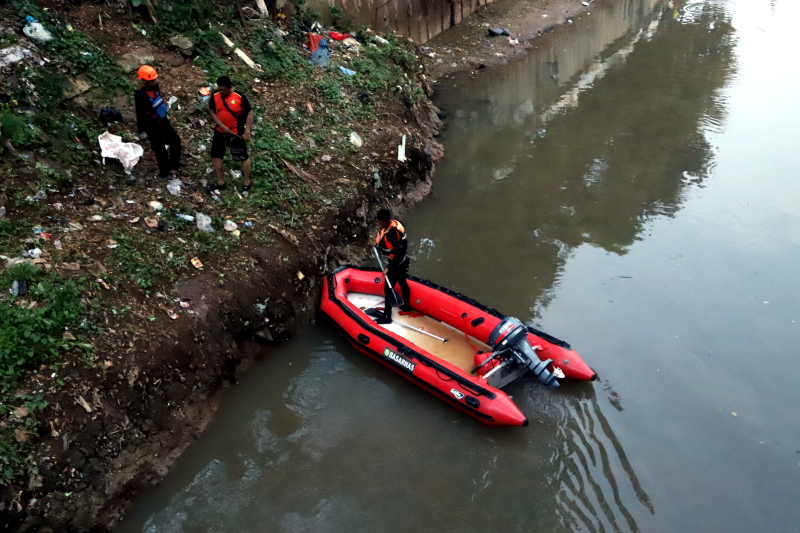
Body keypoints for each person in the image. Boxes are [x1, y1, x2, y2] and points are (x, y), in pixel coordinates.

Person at [134, 65, 184, 178]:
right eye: (150, 81)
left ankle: (174, 164)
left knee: (175, 140)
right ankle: (164, 172)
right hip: (152, 125)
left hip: (162, 120)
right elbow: (139, 113)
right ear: (144, 81)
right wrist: (141, 130)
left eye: (153, 80)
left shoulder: (156, 87)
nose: (153, 82)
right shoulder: (140, 95)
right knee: (159, 148)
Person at [208, 76, 254, 196]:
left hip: (236, 132)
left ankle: (246, 182)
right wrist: (221, 126)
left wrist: (247, 131)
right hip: (220, 131)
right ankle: (220, 182)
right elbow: (212, 111)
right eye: (219, 89)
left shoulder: (239, 96)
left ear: (229, 87)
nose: (221, 92)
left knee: (242, 156)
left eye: (223, 89)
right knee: (216, 155)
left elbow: (249, 113)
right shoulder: (215, 95)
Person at [375, 208, 412, 324]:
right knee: (402, 282)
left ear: (384, 221)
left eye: (380, 221)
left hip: (396, 263)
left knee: (387, 289)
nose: (379, 223)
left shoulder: (391, 234)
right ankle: (406, 306)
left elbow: (398, 252)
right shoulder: (397, 224)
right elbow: (403, 245)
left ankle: (387, 317)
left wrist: (389, 267)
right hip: (404, 261)